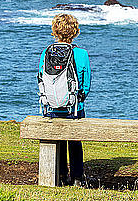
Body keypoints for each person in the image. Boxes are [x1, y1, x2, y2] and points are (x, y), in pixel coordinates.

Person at [38, 13, 91, 186]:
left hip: (51, 107)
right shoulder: (81, 54)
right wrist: (80, 98)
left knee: (57, 139)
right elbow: (86, 84)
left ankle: (60, 176)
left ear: (55, 31)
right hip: (74, 107)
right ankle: (77, 178)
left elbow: (41, 78)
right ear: (75, 32)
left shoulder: (46, 52)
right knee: (75, 141)